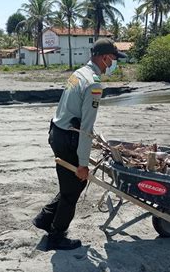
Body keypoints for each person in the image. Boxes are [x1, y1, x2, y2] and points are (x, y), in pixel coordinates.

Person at [32, 38, 124, 250]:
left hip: (57, 131)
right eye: (113, 59)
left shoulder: (79, 73)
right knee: (73, 188)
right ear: (104, 57)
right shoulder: (93, 84)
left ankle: (45, 219)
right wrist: (83, 163)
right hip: (68, 138)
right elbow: (85, 129)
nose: (114, 64)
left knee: (71, 184)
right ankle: (56, 236)